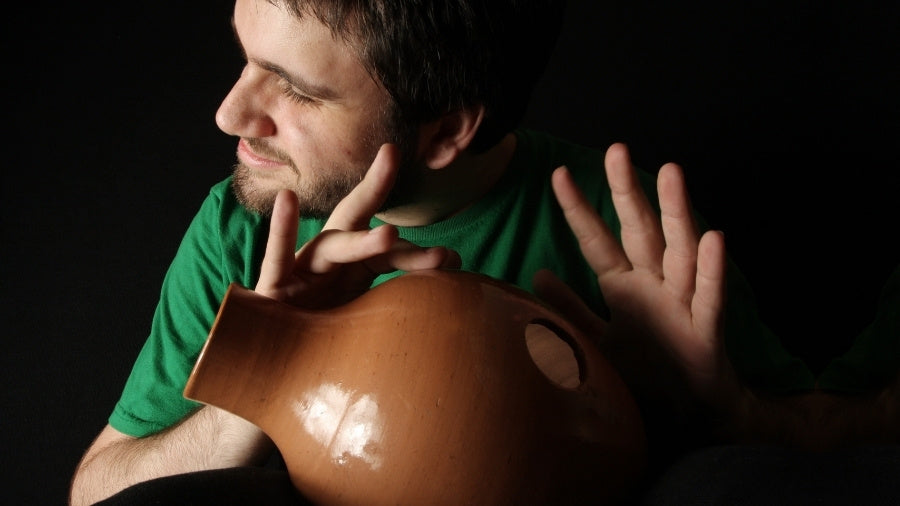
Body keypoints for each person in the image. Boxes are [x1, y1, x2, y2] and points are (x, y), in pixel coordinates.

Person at [69, 0, 899, 505]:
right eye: (246, 59)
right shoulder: (245, 226)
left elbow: (817, 448)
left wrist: (706, 411)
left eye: (297, 89)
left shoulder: (627, 233)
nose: (229, 113)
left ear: (447, 131)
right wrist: (264, 369)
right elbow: (97, 492)